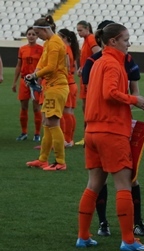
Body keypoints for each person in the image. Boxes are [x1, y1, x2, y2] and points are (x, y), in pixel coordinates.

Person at [76, 23, 144, 251]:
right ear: (113, 41)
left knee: (94, 185)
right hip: (111, 131)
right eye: (126, 39)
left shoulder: (98, 62)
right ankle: (128, 240)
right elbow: (109, 93)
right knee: (123, 185)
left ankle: (83, 236)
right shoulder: (113, 64)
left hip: (92, 132)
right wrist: (134, 99)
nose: (129, 43)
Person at [25, 15, 69, 171]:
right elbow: (43, 62)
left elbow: (50, 67)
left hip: (56, 86)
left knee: (53, 123)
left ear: (45, 30)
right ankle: (43, 159)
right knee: (47, 123)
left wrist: (35, 75)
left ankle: (60, 161)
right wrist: (35, 72)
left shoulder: (55, 43)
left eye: (38, 33)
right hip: (50, 87)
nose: (37, 37)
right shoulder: (50, 42)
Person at [11, 27, 43, 142]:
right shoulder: (22, 49)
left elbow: (43, 66)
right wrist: (14, 82)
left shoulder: (41, 49)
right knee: (23, 106)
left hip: (36, 80)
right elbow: (19, 65)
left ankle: (37, 133)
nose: (31, 36)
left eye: (33, 34)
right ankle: (24, 132)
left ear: (37, 36)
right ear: (26, 35)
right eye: (29, 34)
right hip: (24, 80)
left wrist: (40, 80)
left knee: (36, 107)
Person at [75, 20, 101, 145]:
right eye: (78, 31)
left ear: (87, 28)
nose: (79, 33)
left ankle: (89, 136)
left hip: (89, 78)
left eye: (80, 30)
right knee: (85, 106)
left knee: (88, 107)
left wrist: (86, 68)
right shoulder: (86, 40)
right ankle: (87, 136)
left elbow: (98, 54)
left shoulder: (91, 39)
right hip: (85, 77)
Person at [57, 28, 80, 148]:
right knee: (70, 112)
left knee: (66, 112)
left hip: (67, 83)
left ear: (65, 38)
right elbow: (74, 68)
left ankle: (66, 139)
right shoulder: (71, 49)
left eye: (59, 37)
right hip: (72, 83)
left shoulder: (65, 48)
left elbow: (66, 66)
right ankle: (69, 139)